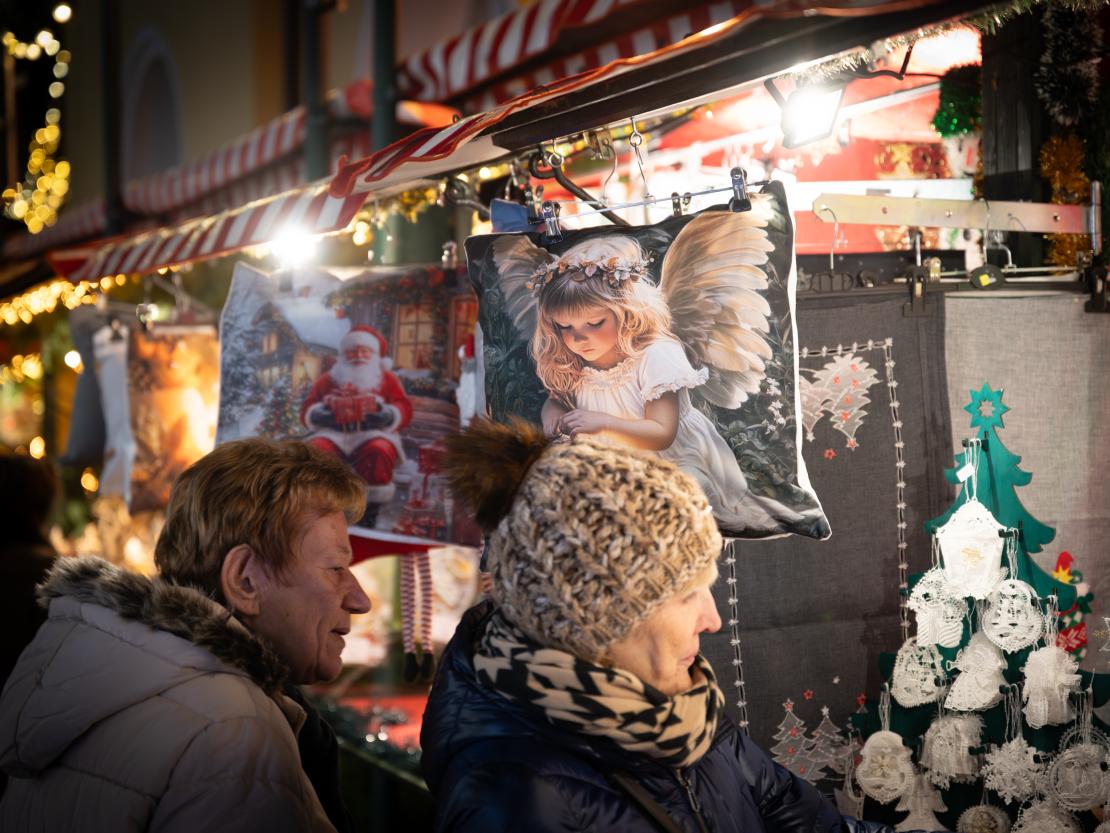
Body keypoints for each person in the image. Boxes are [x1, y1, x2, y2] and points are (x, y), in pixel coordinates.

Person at [421, 418, 889, 833]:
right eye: (688, 595)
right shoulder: (513, 799)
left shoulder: (681, 712)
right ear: (595, 618)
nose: (712, 619)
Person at [0, 438, 371, 832]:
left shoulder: (100, 667)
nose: (359, 599)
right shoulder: (234, 732)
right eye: (335, 569)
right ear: (245, 579)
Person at [493, 228, 811, 536]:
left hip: (671, 461)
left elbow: (662, 435)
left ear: (626, 313)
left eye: (594, 323)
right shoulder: (575, 359)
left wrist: (601, 422)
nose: (578, 338)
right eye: (564, 327)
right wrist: (553, 417)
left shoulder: (655, 355)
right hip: (612, 462)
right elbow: (559, 398)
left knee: (666, 510)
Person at [301, 325, 413, 520]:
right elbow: (308, 406)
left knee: (379, 450)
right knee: (315, 451)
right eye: (352, 351)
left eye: (365, 351)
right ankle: (322, 507)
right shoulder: (329, 378)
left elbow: (403, 405)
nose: (358, 355)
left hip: (373, 433)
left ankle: (369, 513)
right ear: (343, 355)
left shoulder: (387, 379)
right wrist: (318, 414)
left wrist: (388, 414)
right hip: (333, 433)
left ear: (374, 355)